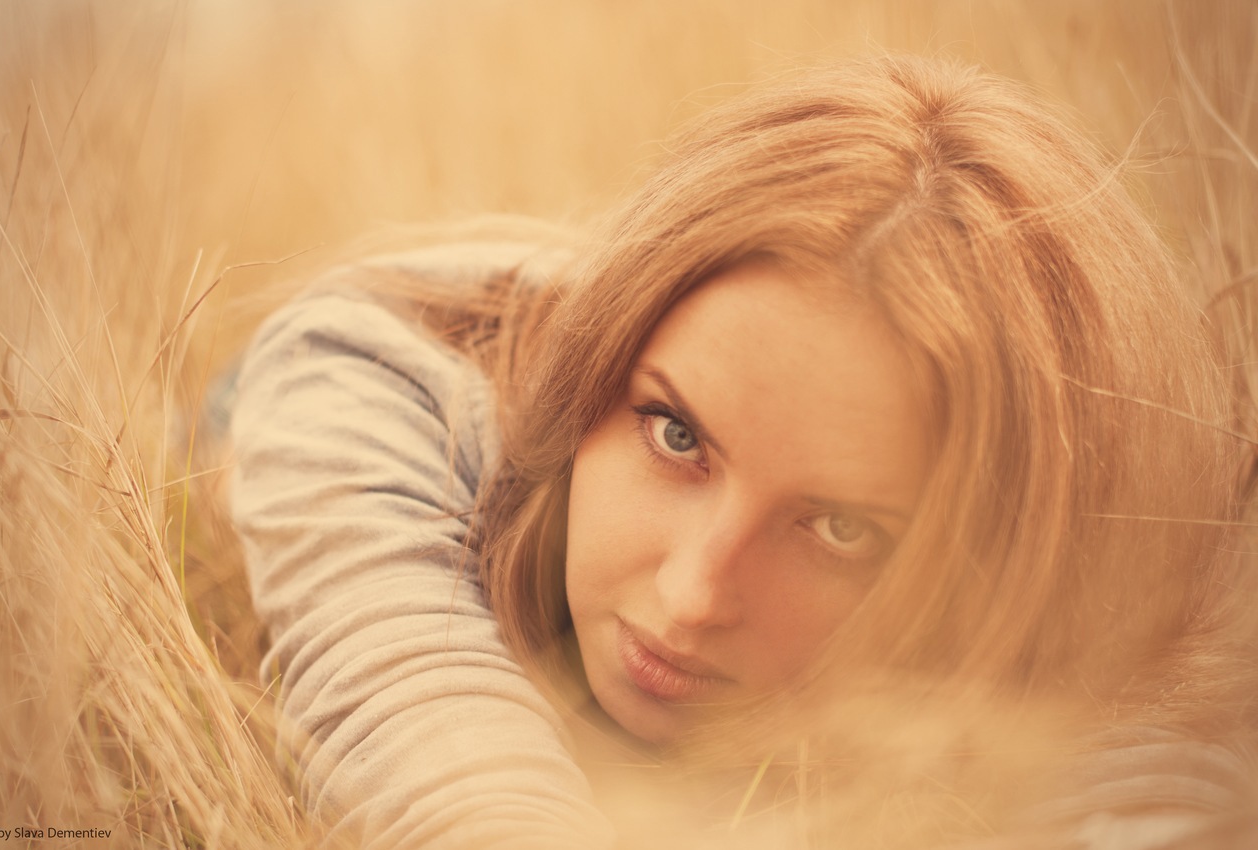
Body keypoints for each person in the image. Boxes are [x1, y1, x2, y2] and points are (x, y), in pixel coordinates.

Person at [229, 55, 1257, 849]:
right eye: (674, 436)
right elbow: (464, 801)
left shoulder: (1110, 554)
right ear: (598, 367)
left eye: (840, 528)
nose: (691, 596)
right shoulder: (377, 380)